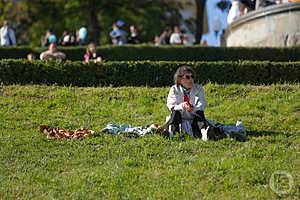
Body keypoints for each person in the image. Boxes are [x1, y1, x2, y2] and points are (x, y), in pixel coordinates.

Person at [166, 65, 208, 138]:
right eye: (187, 77)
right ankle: (170, 132)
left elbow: (202, 103)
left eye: (192, 77)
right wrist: (182, 106)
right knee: (175, 112)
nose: (191, 79)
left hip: (194, 118)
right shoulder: (174, 89)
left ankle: (204, 134)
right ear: (180, 79)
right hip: (179, 118)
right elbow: (171, 105)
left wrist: (194, 108)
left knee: (200, 112)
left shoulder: (199, 88)